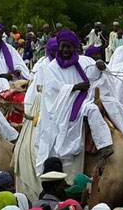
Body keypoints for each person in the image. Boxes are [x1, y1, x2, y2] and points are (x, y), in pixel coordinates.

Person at [35, 30, 114, 177]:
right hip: (62, 107)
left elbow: (94, 75)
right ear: (59, 47)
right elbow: (52, 92)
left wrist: (100, 67)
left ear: (75, 47)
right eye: (63, 47)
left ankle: (105, 146)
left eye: (69, 47)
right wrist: (74, 88)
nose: (65, 50)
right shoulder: (52, 67)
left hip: (82, 101)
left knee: (92, 109)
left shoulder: (84, 61)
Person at [0, 22, 30, 97]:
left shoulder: (9, 49)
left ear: (2, 34)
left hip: (10, 85)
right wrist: (0, 77)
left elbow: (19, 64)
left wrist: (16, 71)